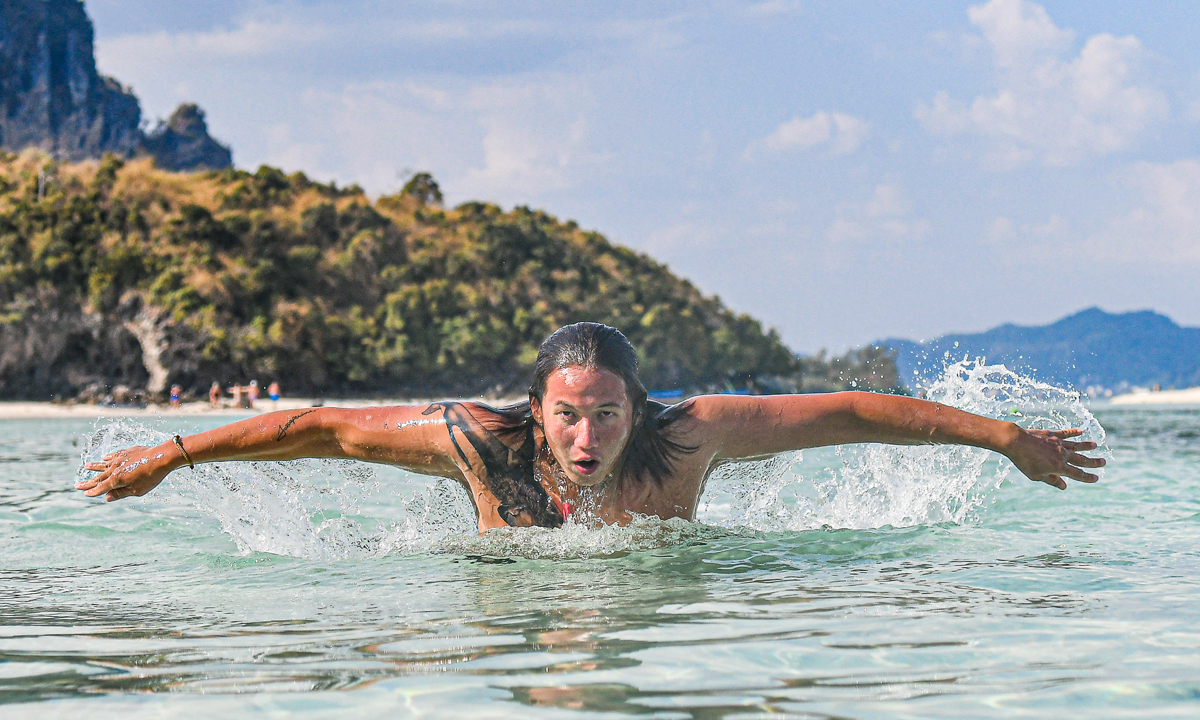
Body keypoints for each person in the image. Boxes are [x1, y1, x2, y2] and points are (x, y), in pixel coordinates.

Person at [76, 323, 1103, 531]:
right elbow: (322, 429)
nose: (585, 439)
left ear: (636, 410)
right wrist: (169, 456)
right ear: (538, 410)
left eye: (606, 415)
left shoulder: (688, 433)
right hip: (502, 630)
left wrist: (1002, 438)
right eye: (568, 415)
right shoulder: (477, 440)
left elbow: (848, 414)